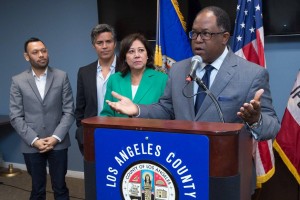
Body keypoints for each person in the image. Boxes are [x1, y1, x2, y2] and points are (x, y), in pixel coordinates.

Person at [105, 6, 280, 193]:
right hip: (183, 171)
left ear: (224, 37)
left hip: (227, 175)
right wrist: (138, 110)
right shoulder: (179, 70)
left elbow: (272, 127)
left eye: (205, 34)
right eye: (194, 33)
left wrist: (255, 120)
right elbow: (166, 109)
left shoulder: (252, 74)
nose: (197, 40)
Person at [9, 37, 74, 200]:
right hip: (31, 144)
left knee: (60, 188)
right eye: (35, 52)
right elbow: (16, 116)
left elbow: (69, 111)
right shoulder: (18, 81)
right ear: (27, 56)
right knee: (37, 189)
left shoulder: (61, 76)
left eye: (43, 51)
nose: (41, 55)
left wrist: (55, 138)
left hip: (58, 143)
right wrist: (34, 140)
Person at [74, 24, 120, 155]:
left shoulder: (126, 69)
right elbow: (80, 108)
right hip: (92, 134)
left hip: (120, 133)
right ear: (94, 46)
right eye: (100, 42)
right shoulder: (84, 72)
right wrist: (82, 131)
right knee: (93, 173)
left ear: (115, 43)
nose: (104, 46)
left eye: (108, 41)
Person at [100, 33, 168, 117]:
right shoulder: (114, 80)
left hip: (149, 130)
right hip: (120, 130)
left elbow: (167, 114)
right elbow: (106, 115)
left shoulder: (162, 79)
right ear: (125, 57)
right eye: (131, 51)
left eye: (141, 50)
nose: (137, 55)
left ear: (147, 55)